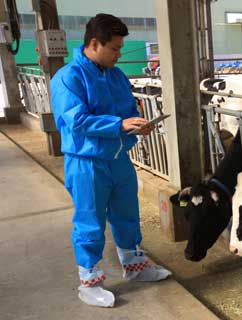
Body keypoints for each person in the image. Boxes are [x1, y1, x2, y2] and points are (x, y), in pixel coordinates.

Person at [50, 13, 171, 308]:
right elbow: (76, 120)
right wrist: (119, 125)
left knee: (127, 213)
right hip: (86, 161)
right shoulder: (68, 77)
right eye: (115, 48)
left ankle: (134, 266)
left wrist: (139, 124)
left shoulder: (115, 75)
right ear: (94, 43)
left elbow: (127, 109)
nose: (119, 54)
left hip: (118, 158)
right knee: (90, 221)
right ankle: (89, 280)